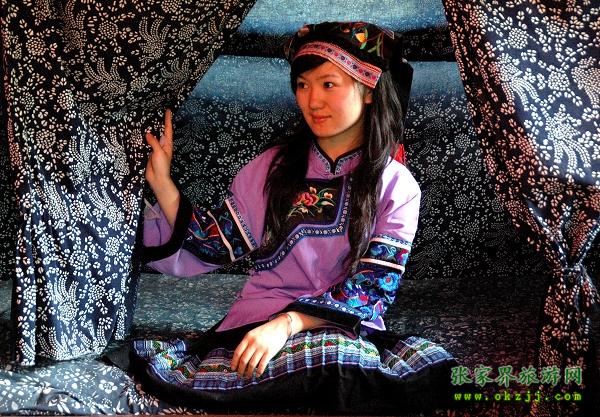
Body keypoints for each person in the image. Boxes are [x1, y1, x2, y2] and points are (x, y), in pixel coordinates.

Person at [131, 21, 456, 414]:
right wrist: (162, 182)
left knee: (349, 364)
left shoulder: (396, 186)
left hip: (337, 328)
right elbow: (214, 244)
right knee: (325, 371)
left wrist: (288, 324)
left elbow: (372, 288)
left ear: (369, 89)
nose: (312, 100)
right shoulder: (270, 170)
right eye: (302, 85)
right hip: (257, 323)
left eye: (328, 84)